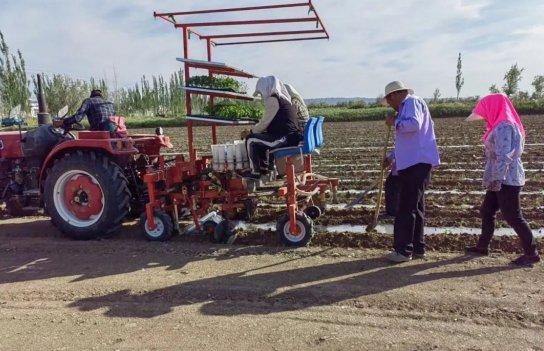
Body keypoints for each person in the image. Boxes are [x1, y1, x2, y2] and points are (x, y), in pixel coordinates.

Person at [465, 94, 540, 266]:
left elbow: (504, 156)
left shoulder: (504, 126)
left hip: (506, 178)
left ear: (493, 107)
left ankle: (532, 253)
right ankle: (482, 246)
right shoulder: (501, 124)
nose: (483, 115)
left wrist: (497, 179)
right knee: (487, 210)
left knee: (513, 216)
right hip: (500, 177)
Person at [383, 81, 440, 263]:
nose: (390, 105)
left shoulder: (411, 102)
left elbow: (414, 125)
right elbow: (409, 141)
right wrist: (393, 156)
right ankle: (417, 248)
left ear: (395, 95)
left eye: (389, 100)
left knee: (406, 208)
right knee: (416, 207)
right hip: (414, 162)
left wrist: (395, 122)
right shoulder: (407, 106)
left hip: (416, 164)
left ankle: (403, 251)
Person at [242, 76, 302, 179]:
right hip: (290, 136)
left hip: (284, 138)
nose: (261, 95)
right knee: (260, 137)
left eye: (261, 92)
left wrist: (251, 131)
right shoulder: (284, 99)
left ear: (266, 88)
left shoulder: (273, 100)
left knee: (251, 139)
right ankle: (265, 168)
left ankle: (255, 172)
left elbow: (265, 121)